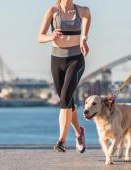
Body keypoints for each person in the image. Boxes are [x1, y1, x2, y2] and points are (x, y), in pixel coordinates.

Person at [38, 0, 91, 153]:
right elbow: (39, 37)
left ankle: (61, 140)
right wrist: (51, 36)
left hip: (76, 59)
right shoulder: (53, 11)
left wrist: (84, 38)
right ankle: (79, 132)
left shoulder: (82, 10)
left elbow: (88, 16)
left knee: (65, 98)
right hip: (56, 60)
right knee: (66, 100)